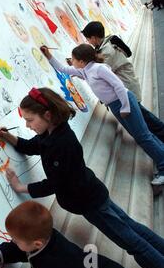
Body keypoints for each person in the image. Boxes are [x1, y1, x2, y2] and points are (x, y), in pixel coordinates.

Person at [0, 87, 164, 268]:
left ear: (48, 115)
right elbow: (32, 146)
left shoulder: (62, 143)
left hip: (90, 202)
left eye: (30, 120)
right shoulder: (50, 133)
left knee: (131, 242)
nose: (27, 125)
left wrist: (22, 187)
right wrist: (9, 137)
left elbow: (55, 183)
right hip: (93, 193)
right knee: (130, 226)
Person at [40, 44, 164, 186]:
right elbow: (63, 69)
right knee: (143, 135)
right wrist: (48, 55)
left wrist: (125, 106)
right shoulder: (85, 71)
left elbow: (118, 85)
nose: (71, 61)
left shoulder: (98, 69)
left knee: (143, 136)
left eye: (73, 59)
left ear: (81, 61)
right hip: (115, 105)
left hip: (123, 102)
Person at [0, 201, 132, 268]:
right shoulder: (46, 235)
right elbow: (21, 249)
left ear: (37, 243)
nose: (13, 242)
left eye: (15, 240)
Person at [81, 21, 164, 144]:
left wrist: (79, 66)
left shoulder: (106, 51)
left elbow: (96, 73)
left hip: (126, 87)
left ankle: (159, 138)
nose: (88, 42)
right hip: (127, 85)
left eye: (88, 39)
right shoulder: (107, 44)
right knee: (143, 116)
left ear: (93, 38)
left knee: (144, 118)